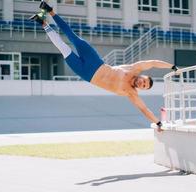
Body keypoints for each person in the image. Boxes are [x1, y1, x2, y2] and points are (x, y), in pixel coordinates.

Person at [30, 0, 179, 131]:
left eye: (144, 86)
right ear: (143, 76)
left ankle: (42, 23)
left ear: (142, 89)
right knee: (72, 36)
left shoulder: (131, 93)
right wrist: (172, 67)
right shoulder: (133, 68)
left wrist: (158, 123)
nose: (142, 83)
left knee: (63, 48)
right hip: (95, 61)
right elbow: (153, 63)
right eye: (144, 80)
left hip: (87, 74)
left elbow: (144, 109)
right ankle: (50, 10)